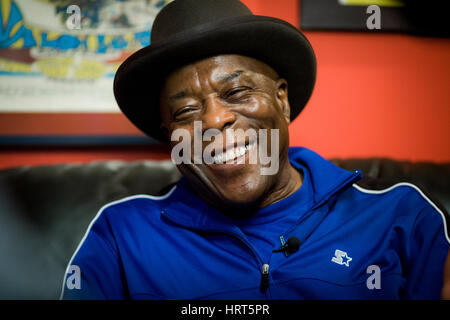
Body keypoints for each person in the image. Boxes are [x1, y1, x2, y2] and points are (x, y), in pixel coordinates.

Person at [61, 0, 450, 300]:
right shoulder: (121, 236)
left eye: (236, 92)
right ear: (171, 136)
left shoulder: (401, 218)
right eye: (185, 111)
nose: (214, 121)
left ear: (281, 99)